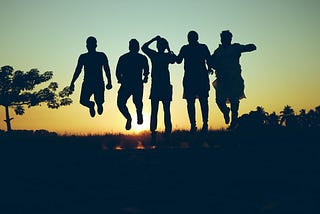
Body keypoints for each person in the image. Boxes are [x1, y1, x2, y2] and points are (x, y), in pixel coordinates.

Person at [210, 30, 256, 128]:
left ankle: (233, 122)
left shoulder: (235, 47)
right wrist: (211, 65)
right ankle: (226, 111)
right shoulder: (218, 51)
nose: (225, 40)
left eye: (227, 38)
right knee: (219, 101)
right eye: (223, 38)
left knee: (234, 101)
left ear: (230, 39)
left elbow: (247, 47)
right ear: (221, 39)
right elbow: (211, 61)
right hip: (222, 79)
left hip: (234, 79)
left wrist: (250, 47)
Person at [142, 36, 177, 142]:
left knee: (156, 111)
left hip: (159, 86)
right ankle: (166, 133)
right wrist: (168, 49)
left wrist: (154, 39)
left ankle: (156, 133)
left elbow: (144, 47)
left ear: (158, 46)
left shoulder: (155, 55)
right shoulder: (165, 56)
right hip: (163, 86)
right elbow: (175, 60)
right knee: (165, 110)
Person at [176, 31, 212, 133]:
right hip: (199, 78)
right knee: (202, 101)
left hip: (191, 78)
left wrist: (171, 54)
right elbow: (209, 59)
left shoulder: (185, 48)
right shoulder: (202, 47)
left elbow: (178, 60)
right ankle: (202, 124)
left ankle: (195, 125)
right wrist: (209, 67)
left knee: (193, 102)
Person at [70, 36, 112, 117]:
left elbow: (107, 69)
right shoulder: (83, 57)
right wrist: (72, 82)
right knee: (83, 101)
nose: (90, 46)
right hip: (87, 83)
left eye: (92, 44)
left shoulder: (101, 55)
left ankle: (99, 105)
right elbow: (78, 70)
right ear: (86, 46)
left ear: (96, 45)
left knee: (99, 101)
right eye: (89, 44)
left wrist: (109, 81)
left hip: (98, 82)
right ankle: (91, 105)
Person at [116, 39, 149, 130]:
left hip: (136, 83)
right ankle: (129, 118)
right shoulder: (123, 58)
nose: (135, 48)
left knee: (137, 102)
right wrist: (120, 79)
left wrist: (145, 77)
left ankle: (138, 114)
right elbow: (118, 71)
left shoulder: (142, 58)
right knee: (121, 103)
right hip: (127, 83)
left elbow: (146, 69)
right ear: (130, 47)